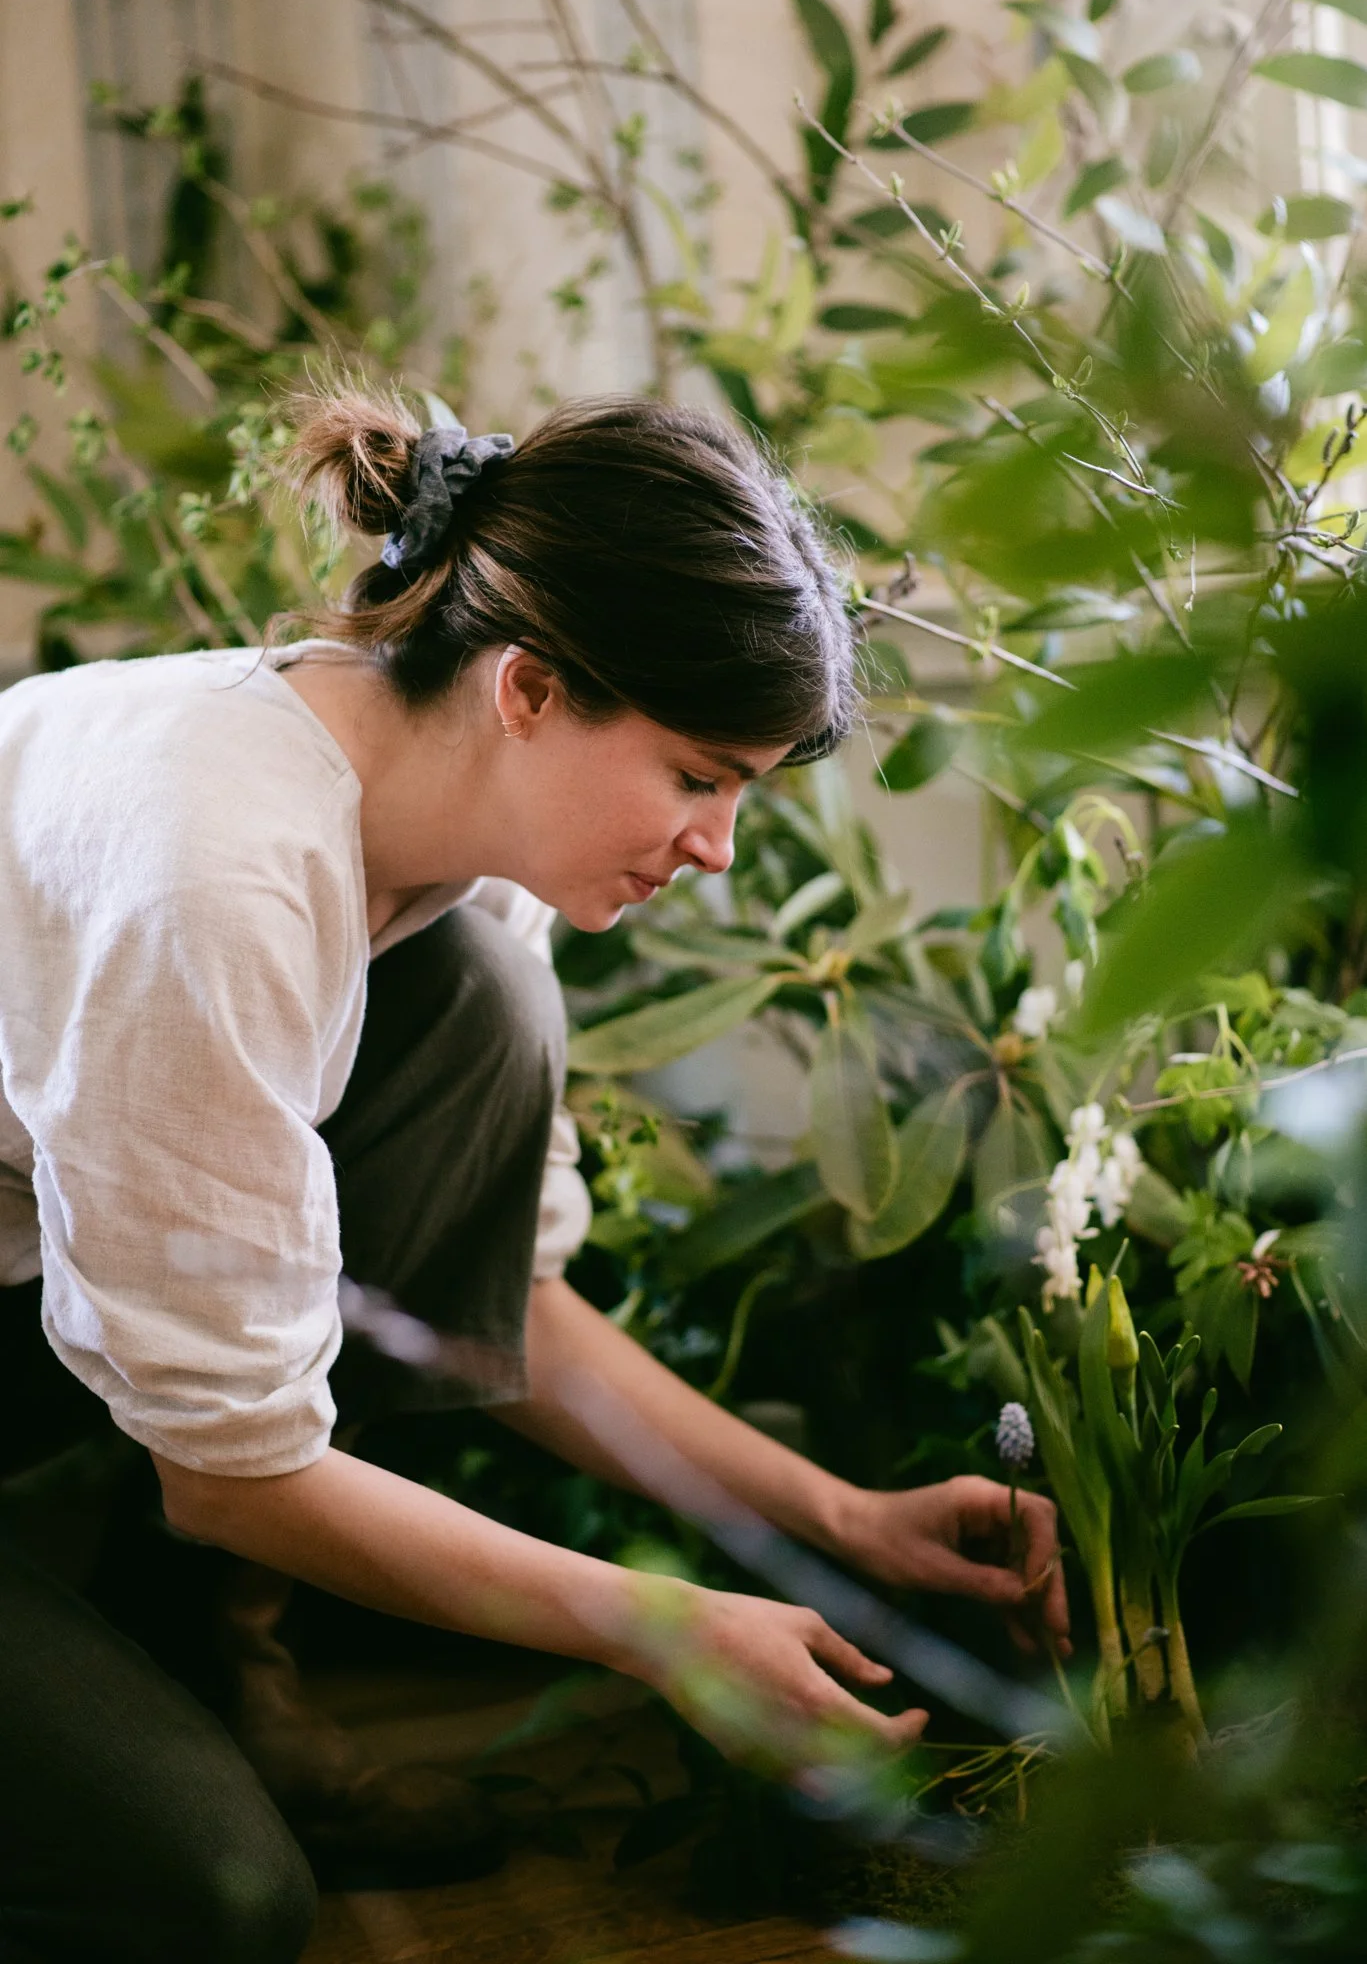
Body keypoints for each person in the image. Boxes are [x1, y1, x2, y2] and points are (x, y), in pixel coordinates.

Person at [0, 388, 1068, 1963]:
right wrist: (664, 1630)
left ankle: (209, 1660)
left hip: (43, 1319)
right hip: (104, 1390)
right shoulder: (212, 870)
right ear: (528, 689)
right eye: (699, 776)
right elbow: (226, 1471)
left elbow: (511, 1315)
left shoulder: (454, 852)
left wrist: (837, 1517)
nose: (713, 845)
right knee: (208, 1903)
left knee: (479, 1010)